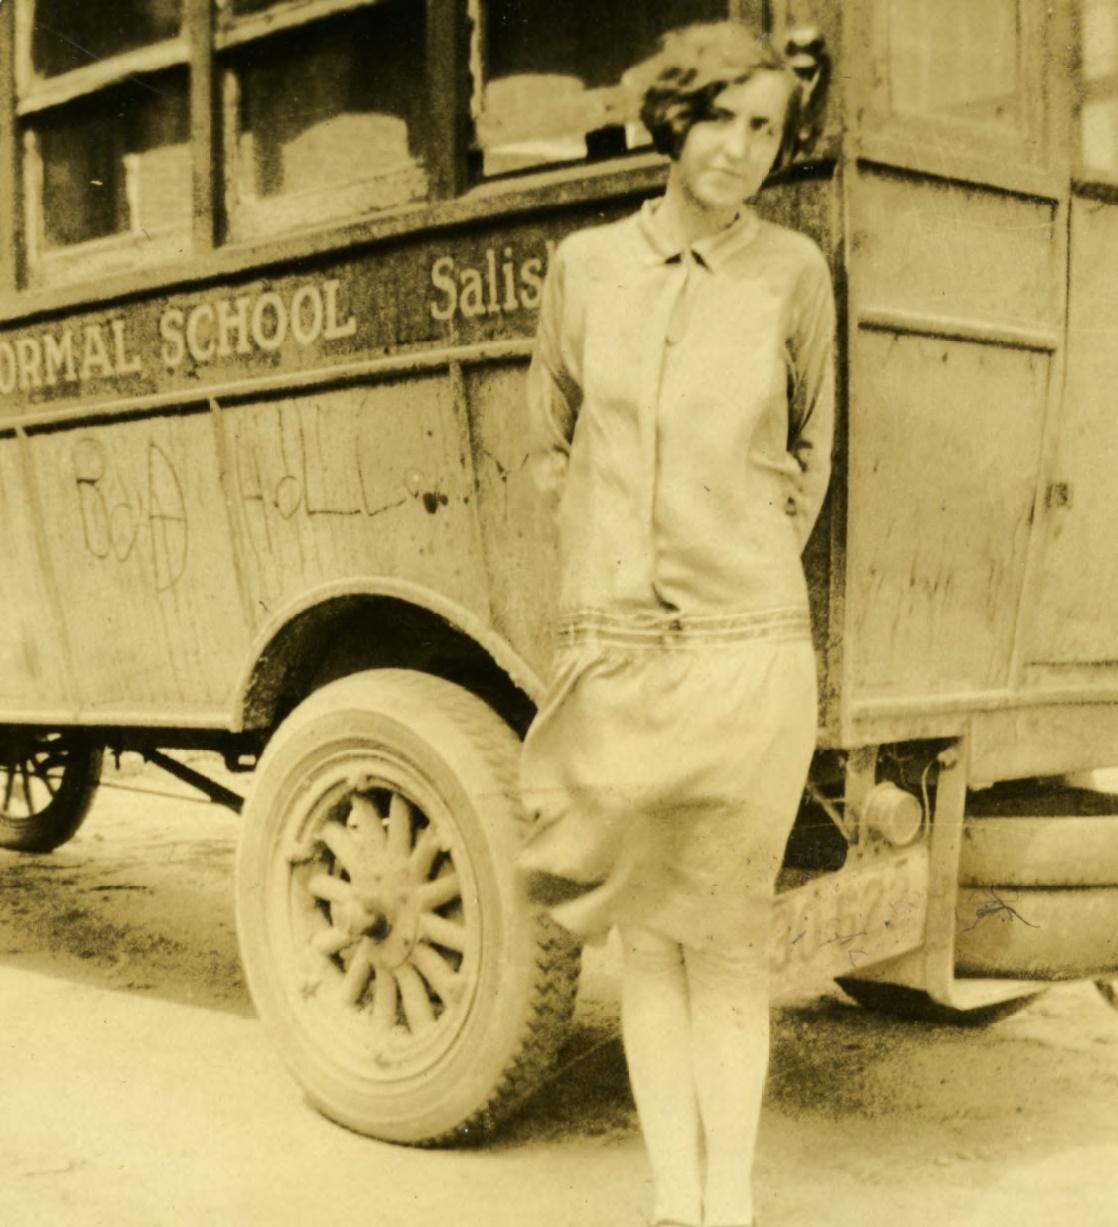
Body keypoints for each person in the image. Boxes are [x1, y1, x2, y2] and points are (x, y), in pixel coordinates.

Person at [518, 20, 835, 1227]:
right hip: (615, 657)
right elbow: (551, 442)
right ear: (674, 119)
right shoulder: (584, 266)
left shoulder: (791, 274)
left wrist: (739, 572)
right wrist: (606, 580)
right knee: (645, 942)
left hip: (747, 656)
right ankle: (671, 1203)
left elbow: (810, 454)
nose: (743, 150)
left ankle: (732, 1206)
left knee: (731, 942)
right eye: (722, 120)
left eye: (767, 130)